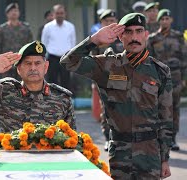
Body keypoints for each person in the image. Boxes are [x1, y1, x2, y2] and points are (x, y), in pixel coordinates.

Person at [60, 13, 173, 179]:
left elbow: (166, 118)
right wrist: (94, 40)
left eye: (139, 31)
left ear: (146, 35)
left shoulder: (160, 71)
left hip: (150, 153)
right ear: (120, 36)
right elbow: (68, 61)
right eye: (128, 32)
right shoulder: (107, 65)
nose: (134, 37)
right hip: (120, 153)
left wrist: (165, 158)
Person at [0, 41, 76, 132]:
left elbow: (72, 139)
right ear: (19, 69)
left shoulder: (62, 98)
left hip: (50, 161)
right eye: (28, 63)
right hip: (12, 161)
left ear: (46, 67)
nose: (33, 68)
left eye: (38, 63)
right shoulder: (4, 92)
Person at [148, 9, 186, 151]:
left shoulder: (178, 37)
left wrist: (184, 79)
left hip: (175, 78)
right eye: (162, 19)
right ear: (159, 21)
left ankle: (173, 139)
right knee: (158, 109)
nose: (165, 21)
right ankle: (159, 138)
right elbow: (148, 60)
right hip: (158, 78)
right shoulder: (152, 38)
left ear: (171, 20)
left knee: (174, 108)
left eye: (167, 18)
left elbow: (184, 58)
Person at [90, 9, 123, 152]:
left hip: (123, 80)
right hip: (104, 80)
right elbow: (93, 62)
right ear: (102, 22)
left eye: (112, 21)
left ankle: (121, 139)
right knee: (106, 110)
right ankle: (107, 139)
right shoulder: (98, 39)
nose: (110, 23)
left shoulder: (123, 37)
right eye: (107, 21)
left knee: (122, 110)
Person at [41, 4, 76, 90]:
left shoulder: (70, 27)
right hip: (52, 58)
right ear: (53, 14)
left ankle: (65, 102)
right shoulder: (48, 27)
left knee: (66, 82)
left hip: (66, 58)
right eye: (57, 13)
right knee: (51, 82)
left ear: (65, 14)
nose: (60, 15)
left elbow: (73, 44)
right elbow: (43, 43)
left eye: (61, 13)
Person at [0, 3, 33, 78]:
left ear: (19, 13)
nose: (14, 13)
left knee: (23, 86)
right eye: (11, 11)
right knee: (6, 86)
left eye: (16, 10)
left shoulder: (26, 28)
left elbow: (30, 45)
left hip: (22, 62)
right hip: (7, 64)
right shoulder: (2, 29)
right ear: (7, 14)